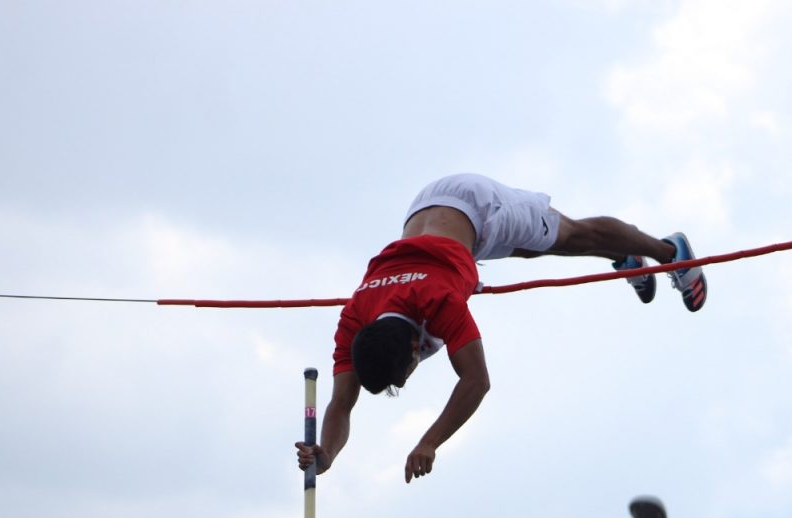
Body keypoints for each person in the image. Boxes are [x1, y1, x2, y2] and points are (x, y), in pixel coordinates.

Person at [295, 173, 707, 483]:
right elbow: (341, 404)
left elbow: (477, 381)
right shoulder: (354, 318)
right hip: (429, 213)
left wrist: (429, 442)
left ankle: (670, 251)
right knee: (533, 249)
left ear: (415, 347)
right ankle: (625, 257)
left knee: (573, 235)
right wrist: (327, 452)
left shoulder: (438, 301)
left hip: (475, 205)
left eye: (409, 371)